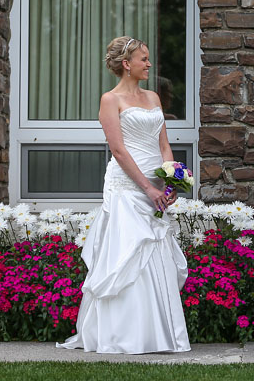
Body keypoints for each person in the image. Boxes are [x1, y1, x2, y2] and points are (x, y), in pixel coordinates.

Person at [57, 36, 191, 354]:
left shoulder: (154, 97)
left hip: (156, 186)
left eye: (148, 58)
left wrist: (170, 182)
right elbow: (117, 149)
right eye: (143, 58)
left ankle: (159, 335)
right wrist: (146, 187)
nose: (149, 63)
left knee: (156, 257)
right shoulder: (110, 99)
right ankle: (123, 336)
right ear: (126, 64)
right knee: (128, 255)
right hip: (127, 187)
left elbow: (163, 145)